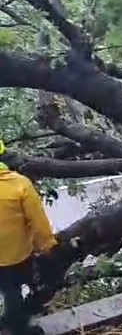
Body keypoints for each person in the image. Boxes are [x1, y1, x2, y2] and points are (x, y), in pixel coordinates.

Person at [0, 139, 57, 335]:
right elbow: (38, 221)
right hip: (14, 256)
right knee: (13, 292)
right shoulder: (20, 184)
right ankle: (17, 329)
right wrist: (47, 246)